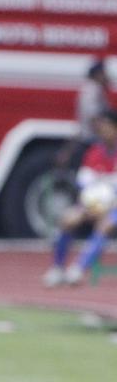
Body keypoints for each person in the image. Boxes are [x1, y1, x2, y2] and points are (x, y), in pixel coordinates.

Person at [45, 109, 117, 287]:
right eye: (101, 127)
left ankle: (78, 268)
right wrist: (91, 203)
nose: (103, 131)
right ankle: (57, 268)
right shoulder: (94, 151)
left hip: (113, 206)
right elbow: (84, 180)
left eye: (107, 127)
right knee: (68, 219)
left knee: (106, 224)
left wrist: (106, 202)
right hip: (93, 204)